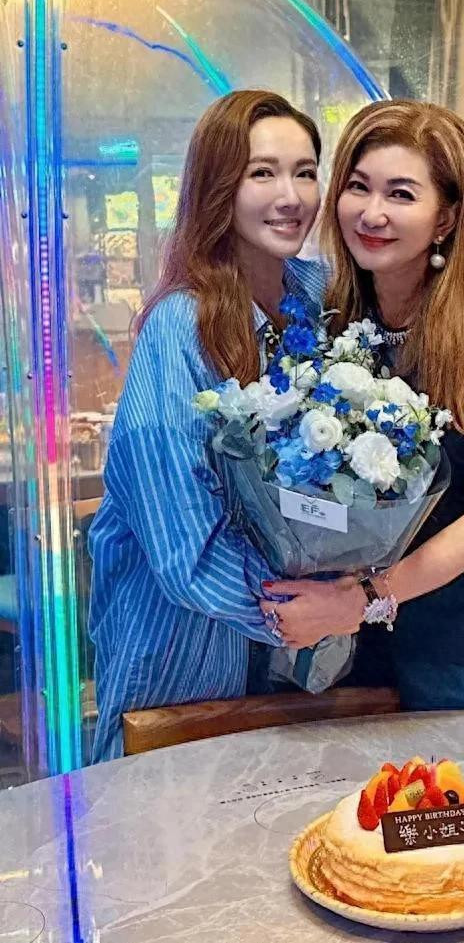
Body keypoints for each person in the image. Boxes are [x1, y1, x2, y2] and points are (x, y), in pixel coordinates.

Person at [260, 100, 464, 710]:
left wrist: (363, 598)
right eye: (359, 187)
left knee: (460, 778)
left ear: (446, 218)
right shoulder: (335, 315)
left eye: (402, 194)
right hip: (347, 640)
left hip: (457, 639)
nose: (373, 213)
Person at [88, 90, 328, 761]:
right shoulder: (180, 328)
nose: (290, 196)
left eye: (306, 172)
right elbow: (182, 550)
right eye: (262, 173)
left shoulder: (320, 297)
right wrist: (309, 614)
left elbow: (419, 282)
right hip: (187, 651)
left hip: (304, 657)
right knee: (176, 817)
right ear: (218, 186)